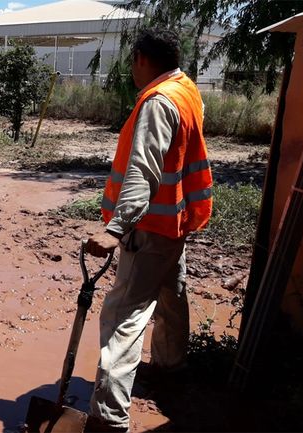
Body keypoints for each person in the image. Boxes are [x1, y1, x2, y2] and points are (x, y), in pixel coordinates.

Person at [83, 29, 213, 432]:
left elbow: (143, 169)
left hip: (150, 227)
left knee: (123, 316)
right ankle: (172, 367)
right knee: (172, 295)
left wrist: (115, 229)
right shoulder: (186, 89)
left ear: (140, 57)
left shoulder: (157, 102)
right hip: (175, 222)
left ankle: (108, 418)